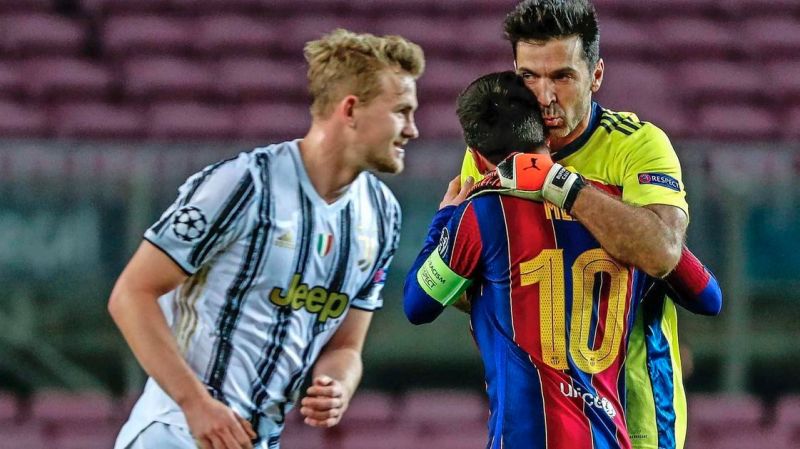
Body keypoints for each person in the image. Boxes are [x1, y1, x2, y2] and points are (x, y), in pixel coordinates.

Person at [109, 28, 424, 449]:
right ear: (350, 109)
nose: (412, 130)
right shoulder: (245, 185)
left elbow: (347, 346)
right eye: (402, 111)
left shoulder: (381, 214)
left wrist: (338, 385)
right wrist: (195, 404)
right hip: (175, 433)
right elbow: (131, 294)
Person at [404, 71, 721, 449]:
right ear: (547, 135)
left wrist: (444, 217)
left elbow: (417, 303)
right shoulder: (615, 215)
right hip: (609, 437)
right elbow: (709, 297)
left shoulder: (482, 215)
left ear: (476, 157)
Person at [459, 2, 695, 448]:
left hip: (636, 416)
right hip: (540, 418)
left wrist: (559, 185)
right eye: (530, 77)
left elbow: (663, 252)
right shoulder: (491, 149)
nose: (544, 96)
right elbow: (461, 284)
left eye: (562, 77)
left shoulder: (638, 145)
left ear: (596, 75)